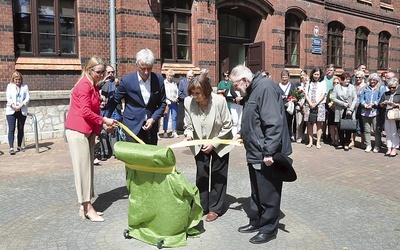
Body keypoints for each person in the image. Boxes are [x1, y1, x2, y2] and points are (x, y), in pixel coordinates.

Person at [230, 65, 292, 244]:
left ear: (244, 80)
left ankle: (268, 228)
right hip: (254, 150)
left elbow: (273, 122)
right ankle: (256, 221)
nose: (235, 90)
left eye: (235, 85)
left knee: (269, 192)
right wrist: (242, 133)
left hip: (265, 153)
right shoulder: (254, 89)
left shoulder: (264, 87)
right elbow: (253, 118)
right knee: (257, 190)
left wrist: (269, 151)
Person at [65, 55, 118, 222]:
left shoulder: (93, 85)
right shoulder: (83, 86)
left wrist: (102, 125)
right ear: (89, 70)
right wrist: (103, 121)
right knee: (82, 170)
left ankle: (85, 206)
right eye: (99, 72)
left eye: (103, 72)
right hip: (77, 131)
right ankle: (88, 207)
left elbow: (93, 112)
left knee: (88, 169)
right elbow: (85, 112)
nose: (102, 76)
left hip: (87, 131)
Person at [183, 74, 233, 223]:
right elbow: (188, 125)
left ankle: (215, 208)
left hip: (220, 143)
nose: (194, 96)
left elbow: (227, 126)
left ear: (206, 91)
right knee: (202, 175)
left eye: (197, 93)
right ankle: (202, 206)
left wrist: (214, 143)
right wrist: (188, 135)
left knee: (218, 175)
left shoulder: (219, 101)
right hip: (199, 143)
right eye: (192, 92)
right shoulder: (188, 102)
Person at [107, 48, 166, 145]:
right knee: (134, 158)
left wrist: (154, 118)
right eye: (143, 68)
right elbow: (114, 101)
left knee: (150, 157)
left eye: (149, 68)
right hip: (132, 128)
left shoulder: (158, 80)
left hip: (151, 127)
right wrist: (105, 120)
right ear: (137, 65)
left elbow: (162, 103)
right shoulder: (127, 81)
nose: (146, 72)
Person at [359, 73, 385, 153]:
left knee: (376, 130)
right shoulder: (365, 88)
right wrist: (364, 104)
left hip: (375, 111)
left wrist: (373, 104)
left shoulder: (381, 88)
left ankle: (377, 145)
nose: (372, 81)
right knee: (367, 129)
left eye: (374, 80)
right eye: (371, 80)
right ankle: (368, 145)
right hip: (365, 111)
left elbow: (381, 98)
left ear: (377, 80)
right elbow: (361, 98)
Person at [6, 71, 30, 155]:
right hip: (11, 110)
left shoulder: (25, 87)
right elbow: (8, 98)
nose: (17, 81)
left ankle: (19, 146)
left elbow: (27, 98)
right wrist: (14, 106)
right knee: (11, 129)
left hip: (21, 110)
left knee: (20, 128)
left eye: (19, 79)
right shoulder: (10, 86)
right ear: (13, 79)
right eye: (16, 79)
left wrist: (20, 106)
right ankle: (11, 147)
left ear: (21, 79)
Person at [332, 73, 357, 151]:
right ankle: (341, 142)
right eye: (346, 79)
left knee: (348, 126)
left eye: (349, 79)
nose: (347, 81)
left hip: (349, 110)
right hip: (340, 109)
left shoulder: (352, 87)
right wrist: (342, 103)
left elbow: (355, 98)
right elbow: (333, 98)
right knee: (340, 126)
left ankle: (347, 143)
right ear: (342, 80)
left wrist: (351, 109)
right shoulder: (337, 87)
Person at [304, 67, 327, 149]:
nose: (316, 76)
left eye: (318, 74)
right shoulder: (309, 82)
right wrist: (310, 103)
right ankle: (310, 141)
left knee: (319, 124)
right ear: (312, 74)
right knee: (310, 124)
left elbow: (324, 94)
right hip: (309, 105)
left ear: (320, 75)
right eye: (315, 74)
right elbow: (306, 94)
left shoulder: (323, 82)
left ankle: (318, 142)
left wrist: (316, 103)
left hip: (320, 105)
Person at [379, 77, 400, 157]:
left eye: (393, 87)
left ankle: (394, 148)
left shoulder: (399, 94)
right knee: (388, 132)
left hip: (395, 116)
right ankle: (389, 148)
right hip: (386, 114)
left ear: (397, 86)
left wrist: (396, 105)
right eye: (390, 87)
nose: (391, 89)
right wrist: (383, 103)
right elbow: (380, 104)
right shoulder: (386, 94)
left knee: (394, 133)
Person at [278, 70, 296, 142]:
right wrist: (279, 97)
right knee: (280, 122)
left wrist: (294, 99)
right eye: (283, 77)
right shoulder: (277, 86)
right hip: (280, 107)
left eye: (286, 77)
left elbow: (295, 96)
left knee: (289, 122)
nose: (284, 79)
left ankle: (288, 136)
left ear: (289, 77)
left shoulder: (292, 86)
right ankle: (281, 137)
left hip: (289, 107)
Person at [352, 70, 367, 148]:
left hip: (362, 108)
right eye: (356, 77)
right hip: (353, 107)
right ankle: (352, 141)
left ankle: (363, 142)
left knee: (362, 125)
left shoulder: (365, 86)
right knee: (353, 124)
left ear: (363, 78)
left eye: (359, 77)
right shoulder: (353, 85)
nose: (358, 79)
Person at [163, 69, 179, 138]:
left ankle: (174, 131)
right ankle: (165, 131)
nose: (170, 77)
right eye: (169, 75)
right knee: (166, 117)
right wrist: (171, 99)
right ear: (166, 76)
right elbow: (164, 93)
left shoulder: (174, 83)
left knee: (174, 117)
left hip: (174, 102)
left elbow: (177, 91)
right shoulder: (164, 83)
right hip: (167, 102)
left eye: (171, 76)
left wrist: (176, 98)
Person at [294, 70, 308, 143]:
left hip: (307, 105)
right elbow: (294, 95)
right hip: (299, 106)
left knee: (307, 122)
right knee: (299, 123)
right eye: (301, 75)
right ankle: (299, 137)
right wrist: (298, 102)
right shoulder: (298, 84)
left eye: (304, 75)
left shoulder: (309, 85)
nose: (302, 76)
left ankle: (306, 136)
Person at [326, 76, 340, 147]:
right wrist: (330, 105)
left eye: (337, 82)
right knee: (331, 126)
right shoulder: (330, 91)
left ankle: (337, 140)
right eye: (334, 83)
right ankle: (333, 140)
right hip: (331, 110)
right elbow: (328, 99)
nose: (336, 84)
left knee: (337, 126)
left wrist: (335, 106)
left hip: (338, 110)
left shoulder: (341, 91)